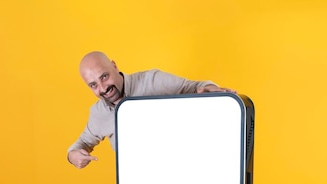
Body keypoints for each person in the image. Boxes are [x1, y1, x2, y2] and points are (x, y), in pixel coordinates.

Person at [67, 51, 236, 169]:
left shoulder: (152, 81)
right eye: (93, 85)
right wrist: (73, 156)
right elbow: (82, 143)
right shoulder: (98, 113)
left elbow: (193, 86)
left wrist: (208, 88)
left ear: (114, 66)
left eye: (104, 76)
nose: (103, 88)